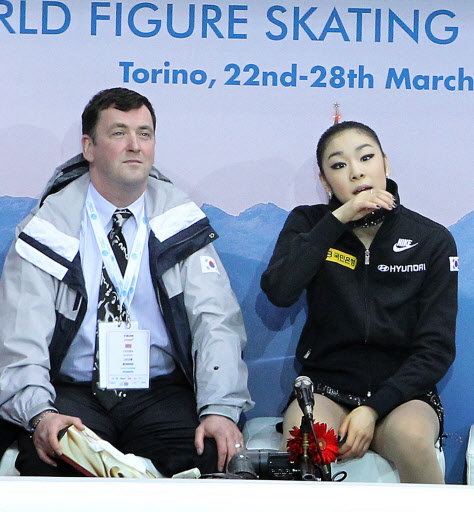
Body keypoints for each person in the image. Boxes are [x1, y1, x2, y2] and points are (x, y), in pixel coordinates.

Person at [0, 87, 253, 477]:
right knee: (49, 457)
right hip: (74, 392)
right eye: (119, 133)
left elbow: (216, 321)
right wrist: (40, 414)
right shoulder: (47, 230)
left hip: (159, 391)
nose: (135, 145)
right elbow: (20, 338)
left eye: (145, 134)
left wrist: (220, 409)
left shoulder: (180, 223)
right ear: (89, 147)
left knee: (212, 453)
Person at [260, 121, 458, 484]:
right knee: (308, 441)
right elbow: (279, 290)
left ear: (385, 163)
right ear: (324, 181)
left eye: (366, 157)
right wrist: (338, 219)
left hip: (402, 395)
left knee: (411, 439)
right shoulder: (309, 223)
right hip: (327, 389)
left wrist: (372, 408)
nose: (356, 171)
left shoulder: (432, 239)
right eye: (338, 165)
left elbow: (436, 349)